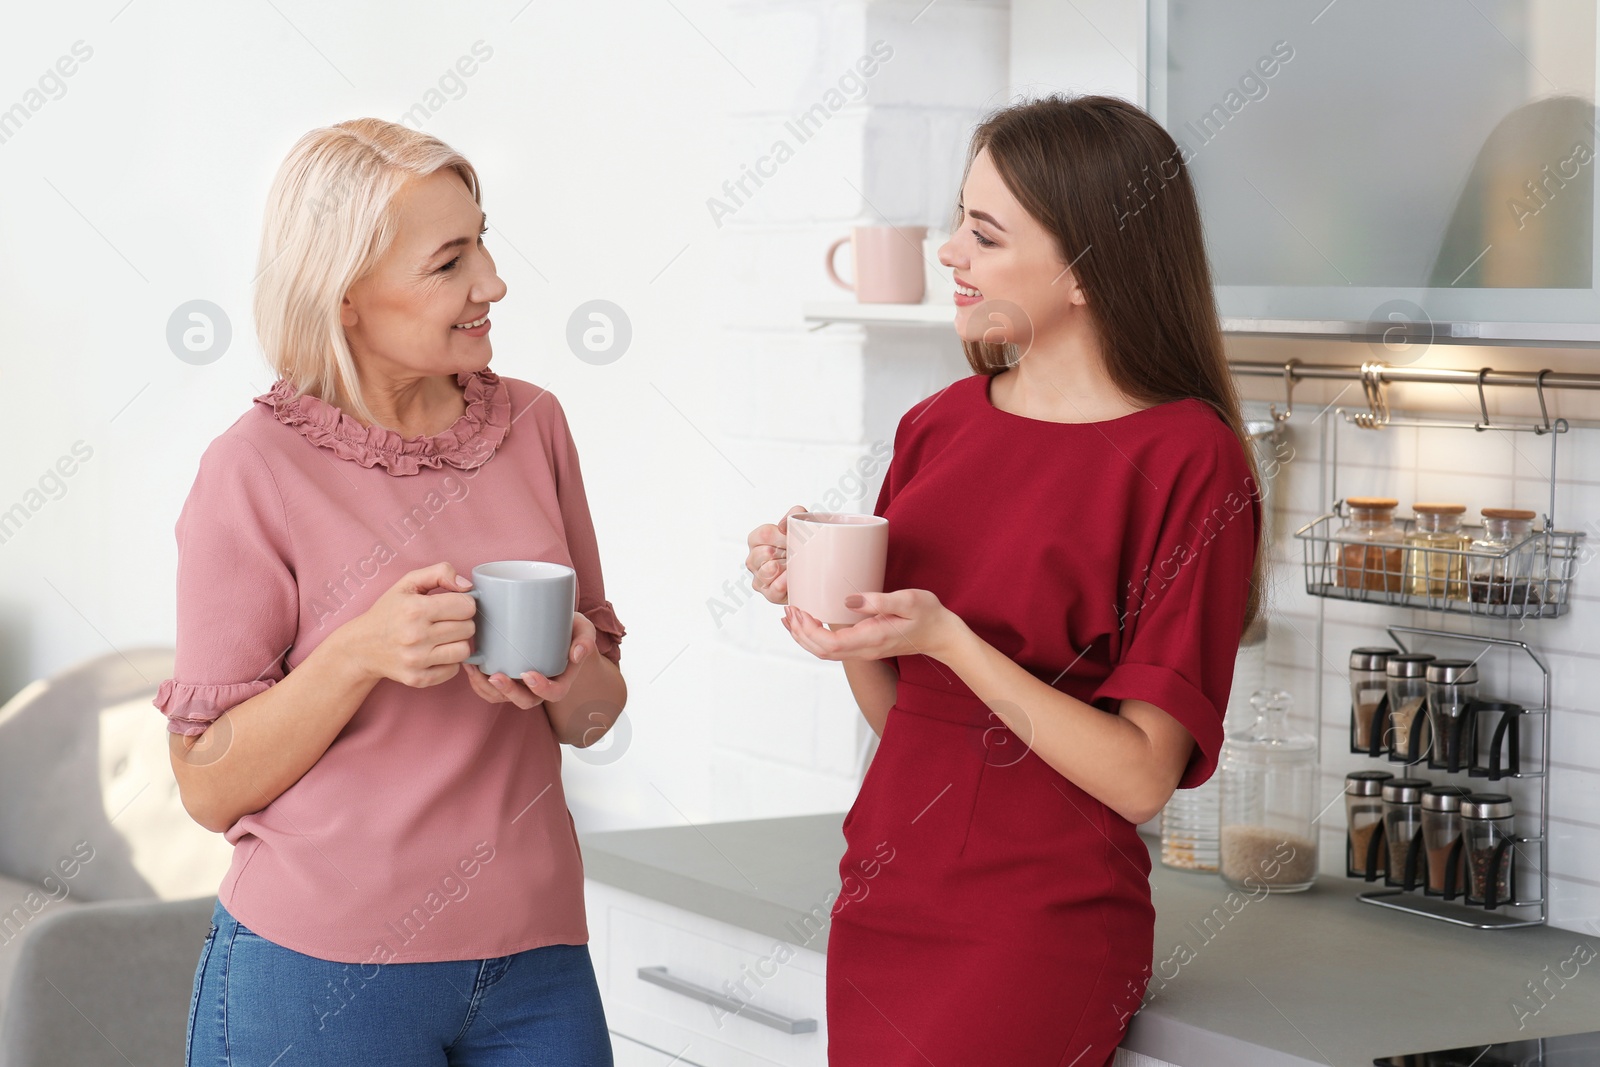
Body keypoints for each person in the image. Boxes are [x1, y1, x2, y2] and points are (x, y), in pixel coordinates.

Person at [744, 94, 1264, 1066]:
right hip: (886, 892)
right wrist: (835, 613)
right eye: (957, 222)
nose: (949, 252)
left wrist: (947, 635)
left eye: (982, 233)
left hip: (1035, 929)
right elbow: (910, 717)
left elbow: (1140, 774)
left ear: (1086, 267)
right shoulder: (938, 424)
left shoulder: (1191, 460)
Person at [159, 118, 626, 1066]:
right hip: (318, 976)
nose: (492, 281)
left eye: (484, 241)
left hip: (537, 961)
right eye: (450, 261)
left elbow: (594, 717)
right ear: (348, 295)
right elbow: (208, 786)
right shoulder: (254, 468)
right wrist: (360, 653)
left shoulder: (535, 424)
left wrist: (569, 672)